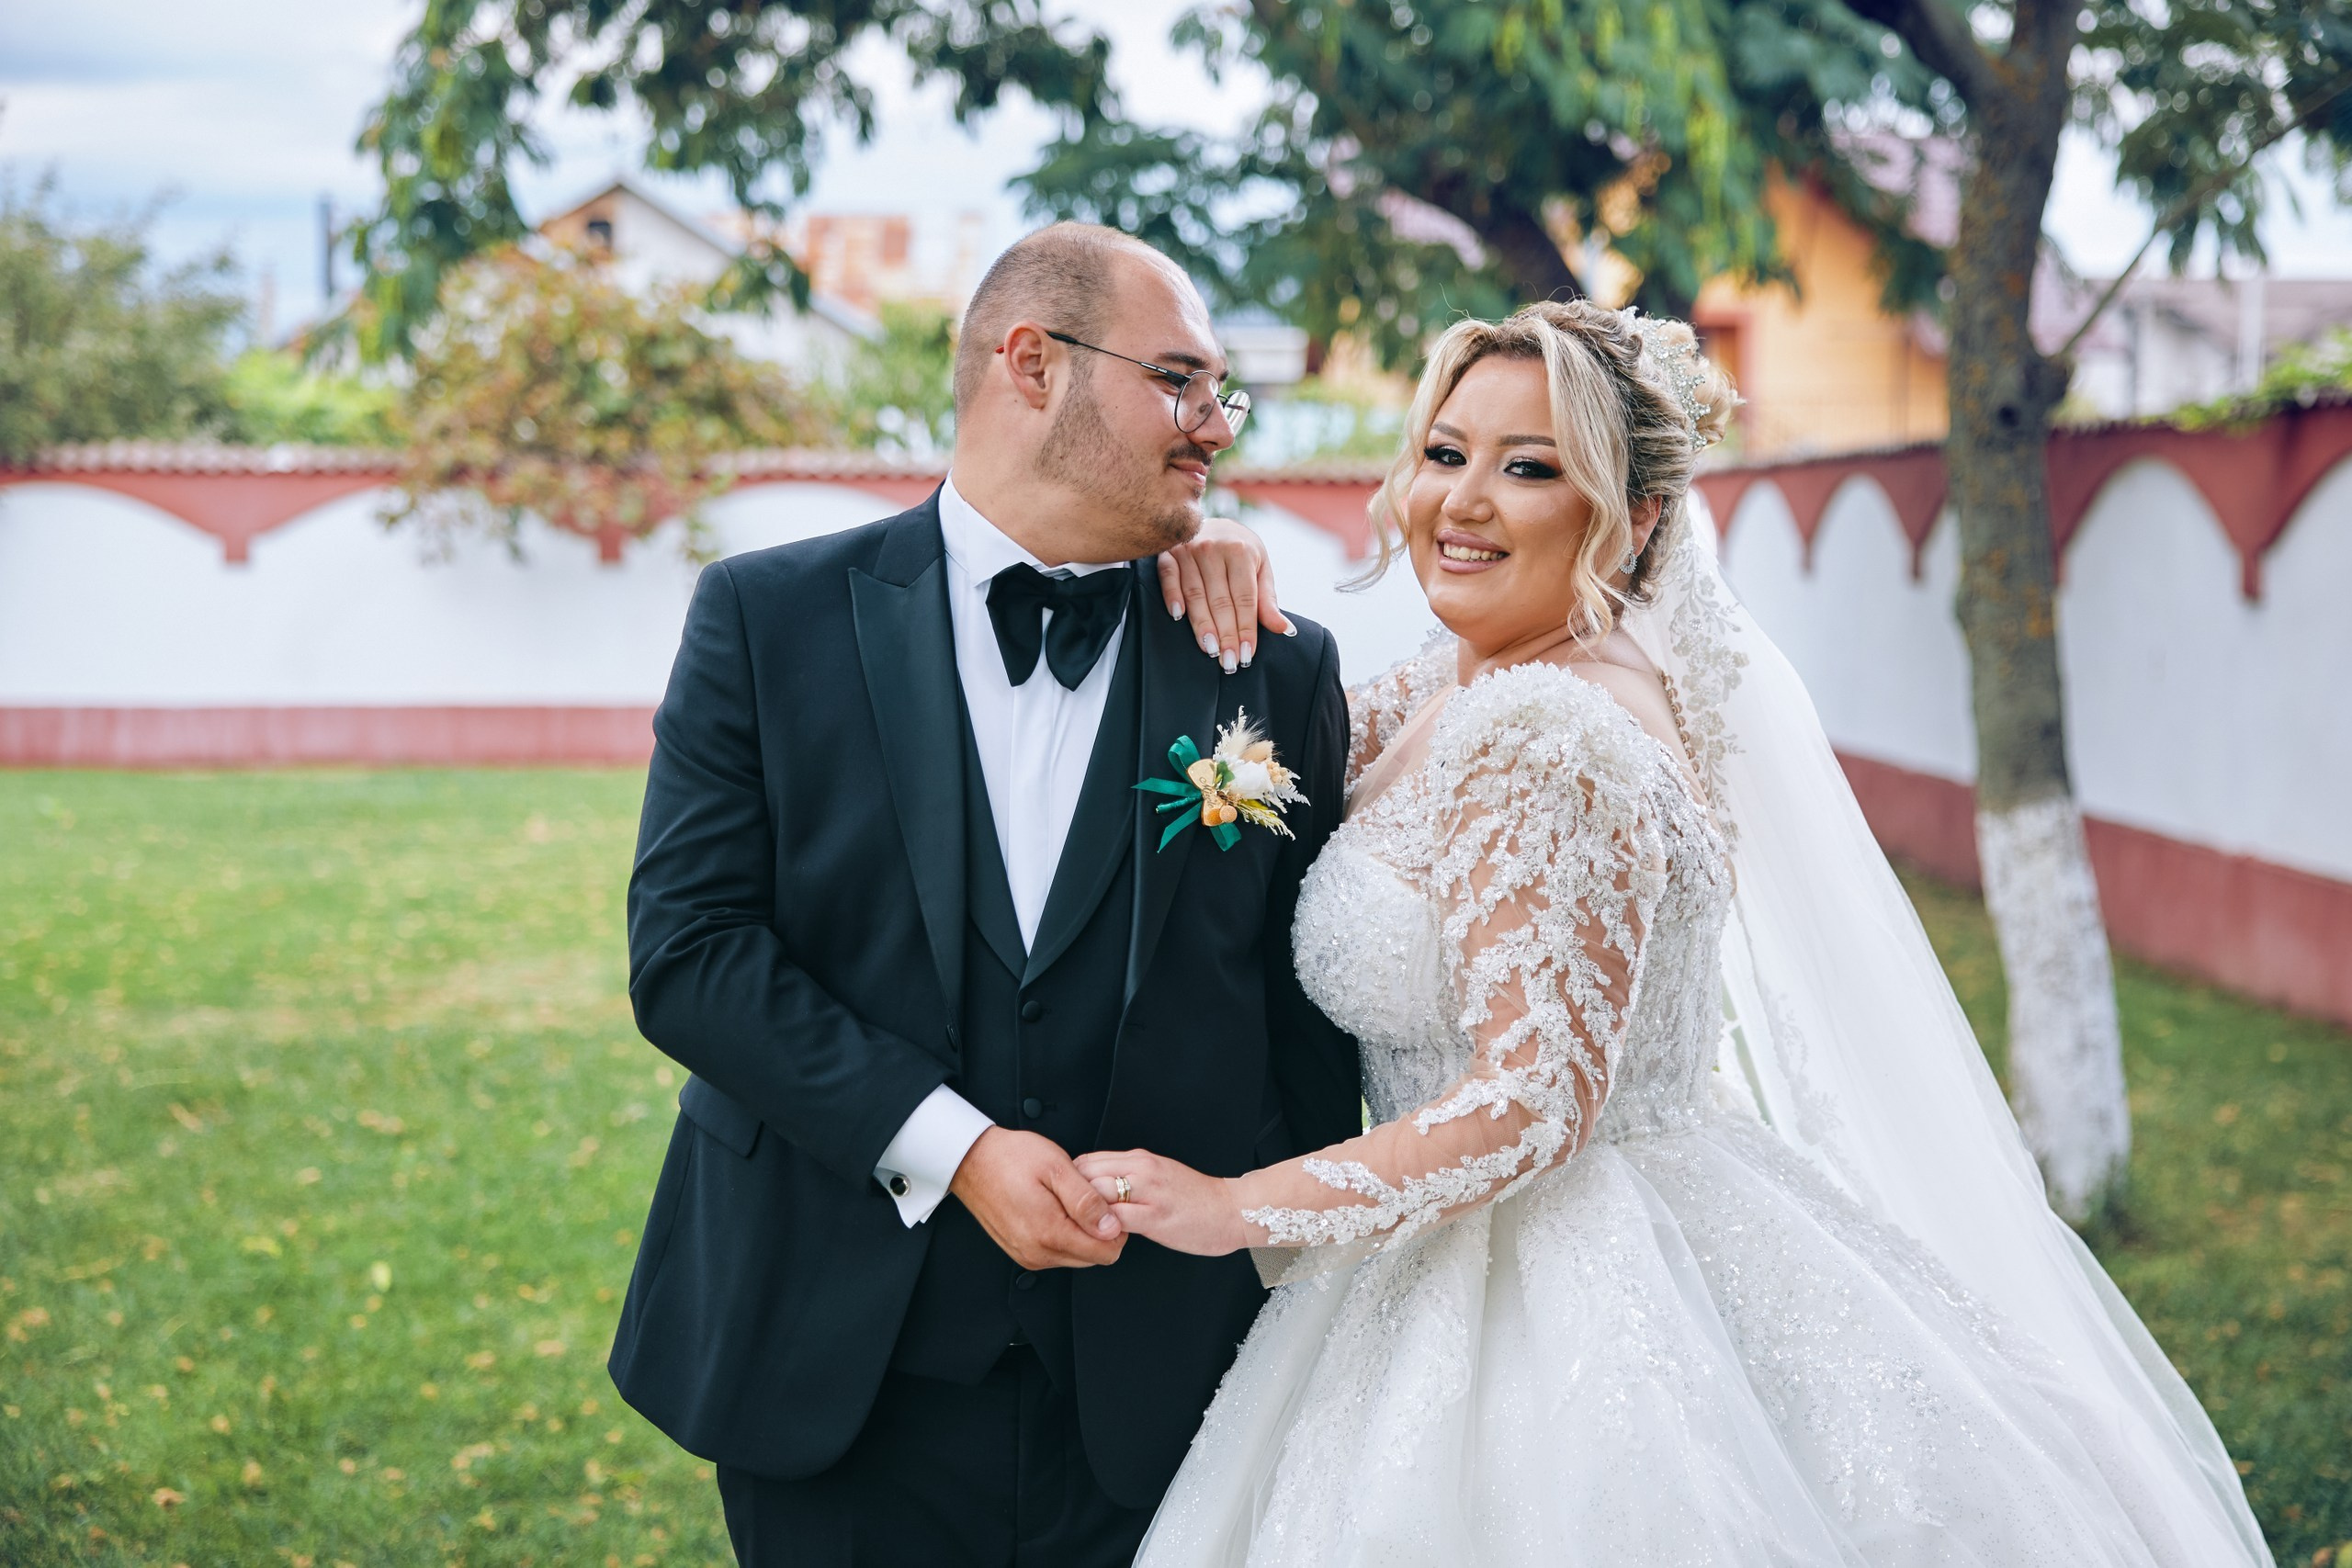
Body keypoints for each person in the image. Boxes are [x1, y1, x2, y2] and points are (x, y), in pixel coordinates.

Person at [1091, 300, 2277, 1565]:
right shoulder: (1460, 686)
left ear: (1635, 518)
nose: (1465, 501)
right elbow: (1298, 736)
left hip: (1559, 1301)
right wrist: (1207, 548)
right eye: (1446, 453)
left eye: (1531, 467)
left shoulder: (1545, 733)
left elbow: (1539, 1102)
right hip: (1485, 1247)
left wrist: (1235, 1210)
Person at [606, 221, 1361, 1567]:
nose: (1214, 428)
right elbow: (692, 955)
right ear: (1032, 363)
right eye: (1181, 383)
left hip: (1161, 1390)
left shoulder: (1267, 669)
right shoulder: (767, 620)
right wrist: (952, 1146)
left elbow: (1307, 1037)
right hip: (835, 1364)